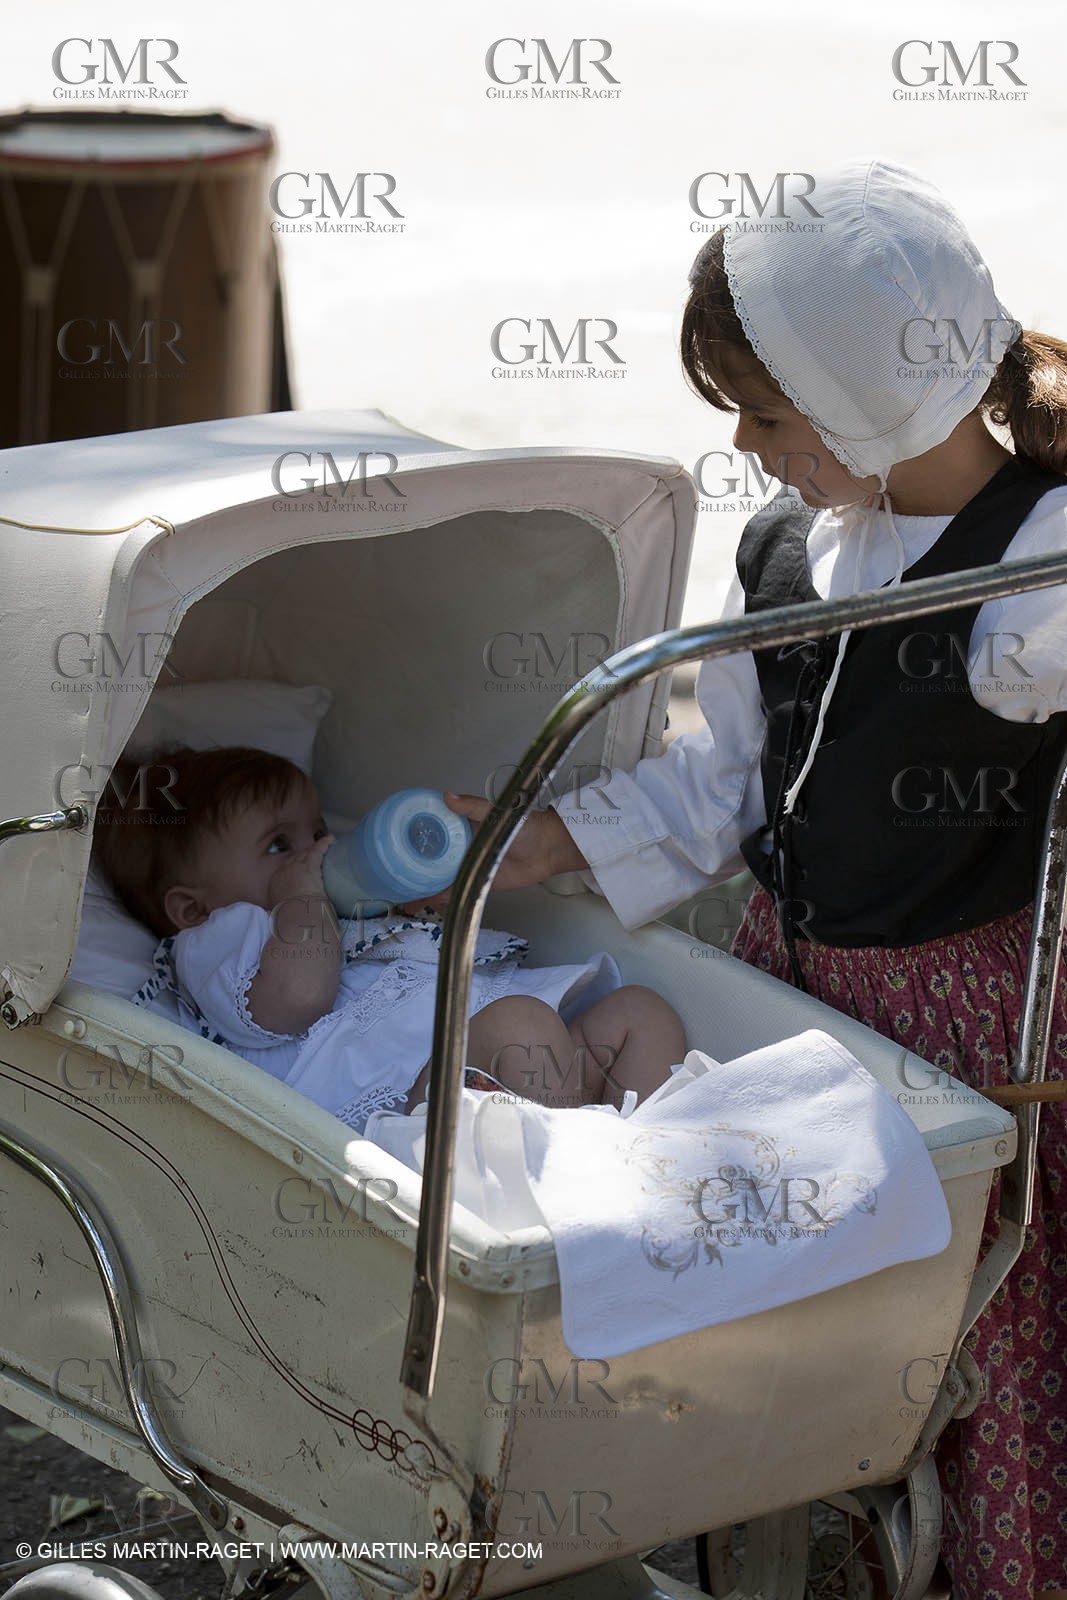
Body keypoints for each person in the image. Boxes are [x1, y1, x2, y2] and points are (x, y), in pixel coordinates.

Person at [431, 158, 1067, 1600]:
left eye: (765, 412)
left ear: (870, 398)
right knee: (785, 1318)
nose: (745, 443)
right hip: (796, 996)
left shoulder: (1032, 571)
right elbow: (722, 778)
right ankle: (768, 1532)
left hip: (967, 1023)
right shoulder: (786, 551)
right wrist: (558, 842)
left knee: (965, 1329)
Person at [91, 744, 686, 1132]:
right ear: (191, 907)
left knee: (640, 1013)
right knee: (521, 1027)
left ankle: (644, 1166)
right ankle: (577, 1194)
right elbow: (298, 997)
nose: (318, 850)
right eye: (280, 845)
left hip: (507, 1074)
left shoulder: (343, 908)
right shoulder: (220, 936)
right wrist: (301, 899)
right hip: (405, 1117)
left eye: (318, 830)